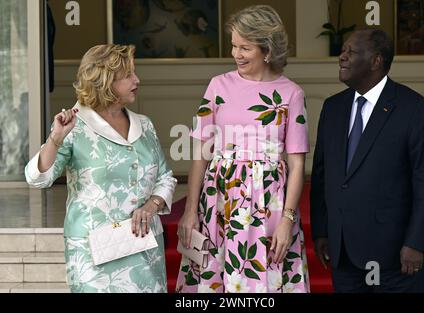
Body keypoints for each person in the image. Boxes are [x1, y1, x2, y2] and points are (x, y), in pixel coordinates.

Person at [176, 5, 310, 293]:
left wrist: (287, 219)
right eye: (234, 46)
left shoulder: (292, 94)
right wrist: (190, 210)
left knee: (263, 283)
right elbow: (201, 154)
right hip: (218, 202)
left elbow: (297, 165)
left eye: (245, 48)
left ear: (267, 50)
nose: (236, 54)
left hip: (269, 207)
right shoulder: (217, 86)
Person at [25, 44, 177, 293]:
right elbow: (37, 178)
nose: (137, 80)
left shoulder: (145, 125)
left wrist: (152, 205)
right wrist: (55, 139)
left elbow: (166, 178)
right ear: (105, 80)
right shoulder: (75, 125)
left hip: (144, 251)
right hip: (93, 256)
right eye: (128, 75)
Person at [310, 29, 424, 293]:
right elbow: (322, 175)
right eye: (343, 51)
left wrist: (417, 242)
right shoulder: (332, 108)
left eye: (351, 51)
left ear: (376, 61)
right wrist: (322, 231)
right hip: (344, 255)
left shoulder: (415, 109)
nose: (342, 57)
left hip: (397, 258)